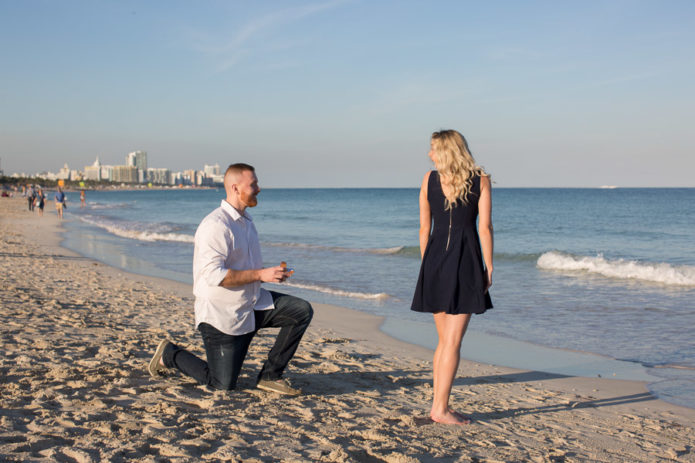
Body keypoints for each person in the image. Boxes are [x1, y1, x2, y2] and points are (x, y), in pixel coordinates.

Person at [148, 163, 313, 395]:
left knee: (301, 311)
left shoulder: (247, 222)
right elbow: (215, 275)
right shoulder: (215, 225)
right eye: (253, 184)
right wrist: (259, 274)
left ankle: (270, 376)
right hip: (222, 315)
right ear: (235, 188)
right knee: (222, 384)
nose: (259, 188)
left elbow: (247, 269)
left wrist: (270, 275)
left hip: (253, 303)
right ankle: (169, 354)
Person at [411, 130, 494, 425]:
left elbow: (424, 229)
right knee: (452, 342)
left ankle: (438, 406)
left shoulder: (428, 180)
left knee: (444, 341)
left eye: (433, 149)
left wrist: (428, 265)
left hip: (434, 262)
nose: (429, 154)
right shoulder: (480, 180)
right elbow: (484, 228)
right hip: (465, 262)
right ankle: (440, 409)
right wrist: (490, 266)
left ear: (446, 151)